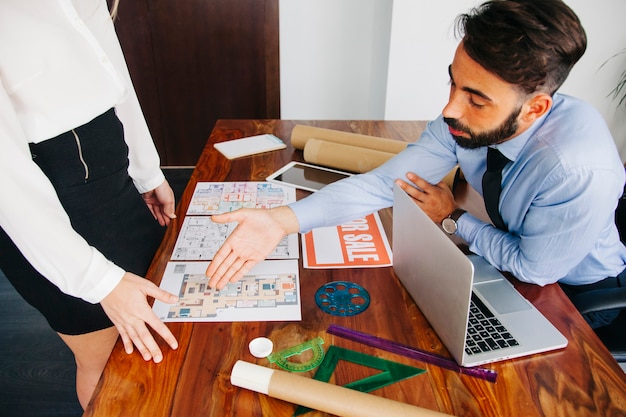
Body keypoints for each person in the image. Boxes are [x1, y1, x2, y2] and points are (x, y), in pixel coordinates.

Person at [205, 0, 626, 329]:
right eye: (453, 82)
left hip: (574, 295)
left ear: (535, 108)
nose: (450, 108)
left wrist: (452, 216)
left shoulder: (577, 170)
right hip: (507, 260)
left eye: (476, 98)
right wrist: (279, 220)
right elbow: (381, 185)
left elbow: (535, 269)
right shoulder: (463, 122)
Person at [0, 0, 179, 409]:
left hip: (109, 171)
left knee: (149, 341)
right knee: (108, 361)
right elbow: (5, 177)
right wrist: (98, 281)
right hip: (45, 193)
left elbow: (112, 68)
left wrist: (145, 171)